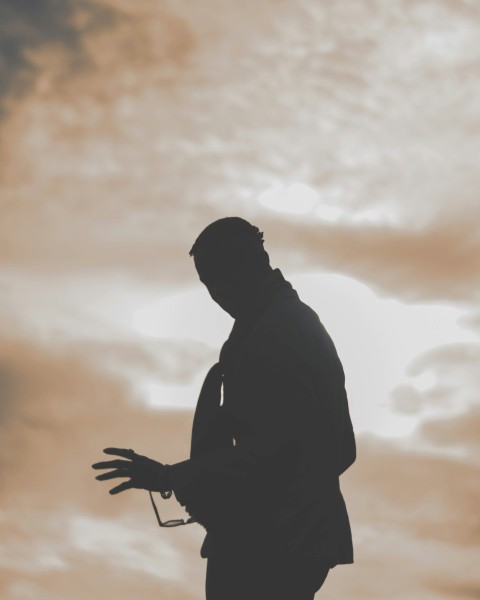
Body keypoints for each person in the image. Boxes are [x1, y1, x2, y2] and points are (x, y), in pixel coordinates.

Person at [92, 217, 356, 599]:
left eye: (218, 278)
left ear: (252, 265)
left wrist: (171, 477)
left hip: (280, 541)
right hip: (265, 536)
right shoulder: (261, 329)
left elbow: (286, 448)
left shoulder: (284, 329)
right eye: (206, 283)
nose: (215, 294)